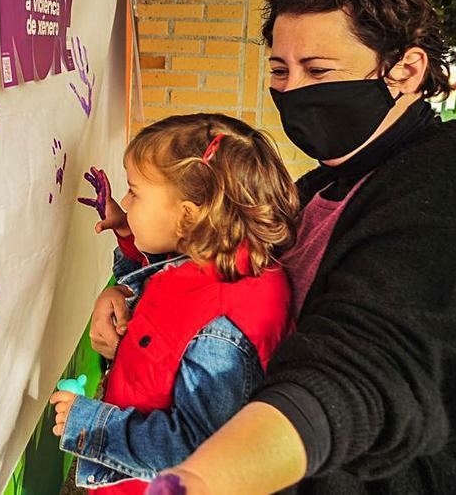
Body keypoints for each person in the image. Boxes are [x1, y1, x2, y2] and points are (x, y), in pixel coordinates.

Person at [120, 0, 456, 493]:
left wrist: (202, 479)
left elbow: (361, 376)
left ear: (406, 71)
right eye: (280, 69)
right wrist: (134, 291)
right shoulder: (321, 187)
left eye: (319, 70)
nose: (294, 90)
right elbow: (222, 268)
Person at [50, 113, 301, 492]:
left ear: (186, 217)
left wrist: (90, 424)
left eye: (135, 192)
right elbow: (165, 271)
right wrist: (126, 227)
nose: (125, 200)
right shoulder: (220, 260)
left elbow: (196, 451)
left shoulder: (223, 330)